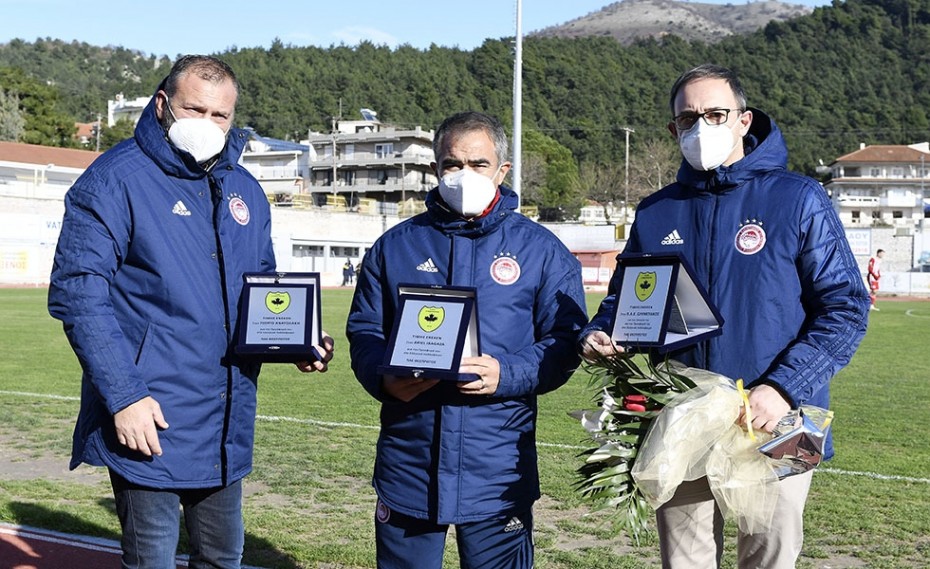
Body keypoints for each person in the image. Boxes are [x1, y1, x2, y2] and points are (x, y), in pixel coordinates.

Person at [48, 55, 334, 569]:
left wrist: (299, 338)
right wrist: (125, 396)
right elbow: (78, 294)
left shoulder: (244, 188)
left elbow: (264, 289)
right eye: (193, 108)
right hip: (148, 417)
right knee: (151, 560)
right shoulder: (114, 179)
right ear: (163, 105)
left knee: (223, 560)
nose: (207, 124)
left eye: (219, 115)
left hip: (224, 420)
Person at [580, 64, 869, 569]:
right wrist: (601, 331)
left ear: (743, 120)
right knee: (685, 557)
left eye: (716, 114)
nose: (701, 127)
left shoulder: (800, 197)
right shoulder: (655, 211)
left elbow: (845, 308)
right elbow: (626, 300)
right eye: (688, 118)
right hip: (681, 410)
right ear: (674, 130)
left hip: (784, 416)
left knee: (771, 555)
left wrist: (782, 387)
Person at [346, 111, 588, 568]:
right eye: (451, 165)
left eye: (478, 164)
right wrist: (385, 378)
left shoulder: (540, 249)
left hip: (497, 468)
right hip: (409, 465)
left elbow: (565, 338)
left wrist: (507, 373)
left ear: (502, 170)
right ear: (436, 168)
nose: (463, 175)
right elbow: (365, 331)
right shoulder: (395, 245)